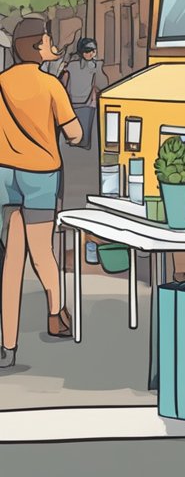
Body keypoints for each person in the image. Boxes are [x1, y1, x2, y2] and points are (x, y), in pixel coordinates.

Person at [1, 19, 82, 369]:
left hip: (4, 174)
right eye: (49, 41)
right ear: (36, 47)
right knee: (43, 251)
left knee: (11, 260)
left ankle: (8, 344)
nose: (54, 46)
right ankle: (55, 312)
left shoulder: (1, 83)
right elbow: (76, 133)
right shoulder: (50, 86)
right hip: (40, 176)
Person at [58, 38, 107, 150]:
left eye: (93, 50)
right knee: (74, 134)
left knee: (83, 135)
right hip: (74, 103)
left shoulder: (95, 66)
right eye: (87, 50)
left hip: (86, 103)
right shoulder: (72, 65)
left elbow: (99, 84)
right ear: (81, 51)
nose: (91, 53)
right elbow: (64, 81)